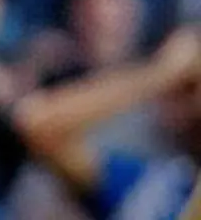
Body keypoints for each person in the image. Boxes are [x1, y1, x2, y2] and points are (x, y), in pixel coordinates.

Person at [13, 28, 201, 220]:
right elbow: (37, 123)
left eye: (189, 90)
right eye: (180, 90)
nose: (183, 104)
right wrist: (161, 74)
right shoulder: (158, 185)